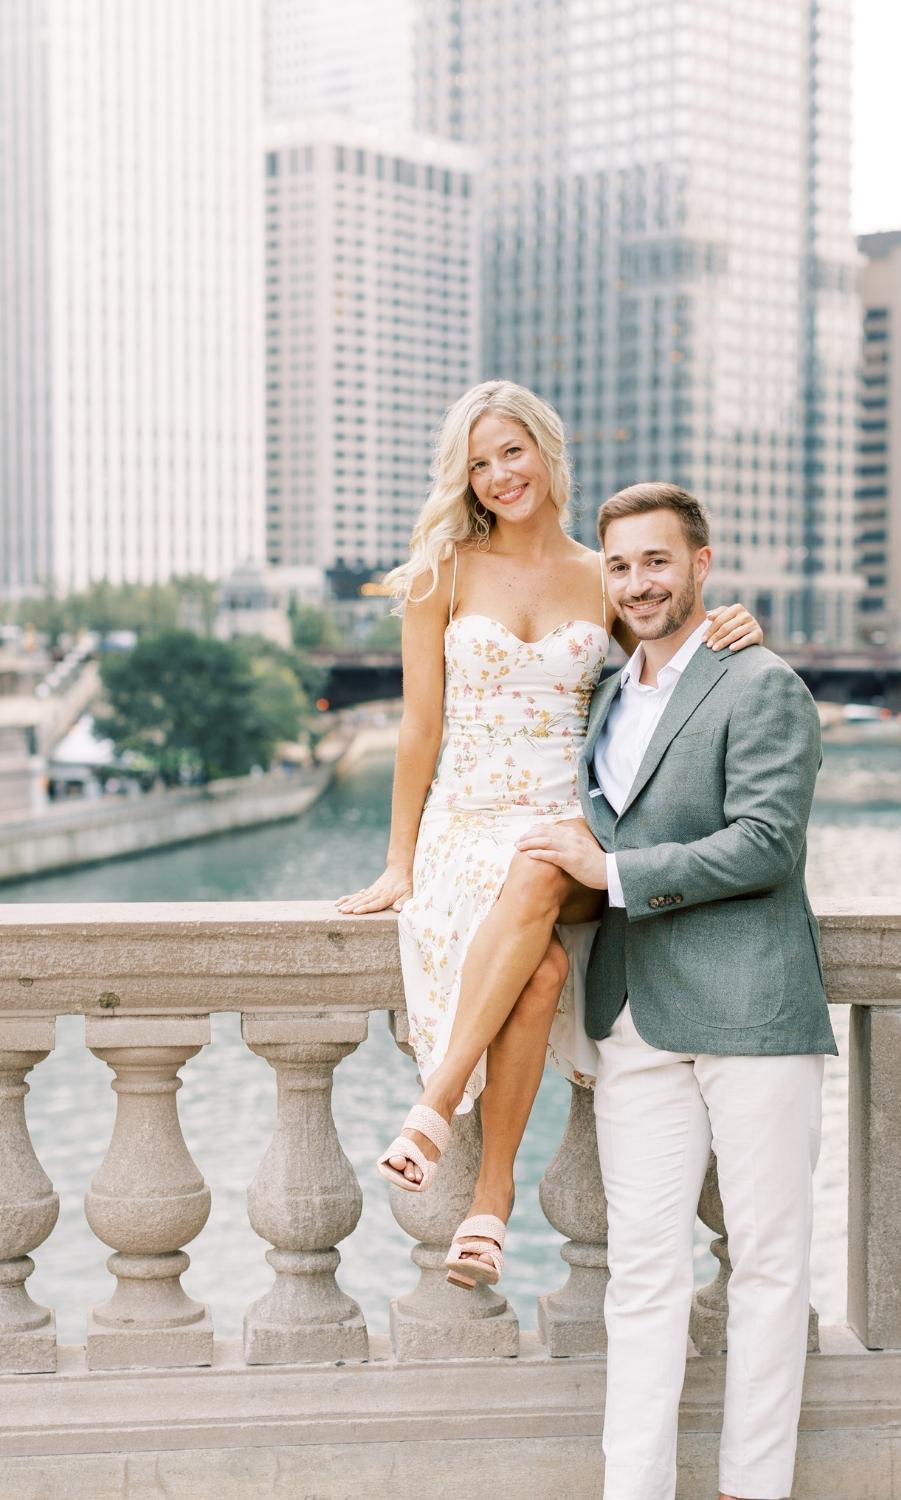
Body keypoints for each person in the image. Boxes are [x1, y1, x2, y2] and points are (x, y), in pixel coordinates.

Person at [335, 382, 762, 1290]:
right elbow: (419, 729)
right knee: (546, 968)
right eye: (479, 463)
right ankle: (490, 1208)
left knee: (540, 869)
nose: (497, 477)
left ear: (547, 450)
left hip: (572, 815)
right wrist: (400, 861)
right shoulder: (440, 571)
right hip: (464, 819)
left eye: (511, 453)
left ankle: (434, 1103)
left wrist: (735, 623)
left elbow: (671, 650)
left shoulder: (599, 574)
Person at [516, 482, 837, 1500]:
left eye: (658, 561)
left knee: (770, 1270)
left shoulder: (763, 682)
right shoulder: (607, 694)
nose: (638, 583)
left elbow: (767, 844)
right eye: (620, 565)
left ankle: (754, 1489)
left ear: (702, 565)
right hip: (632, 1016)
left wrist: (613, 874)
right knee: (642, 1275)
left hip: (751, 1011)